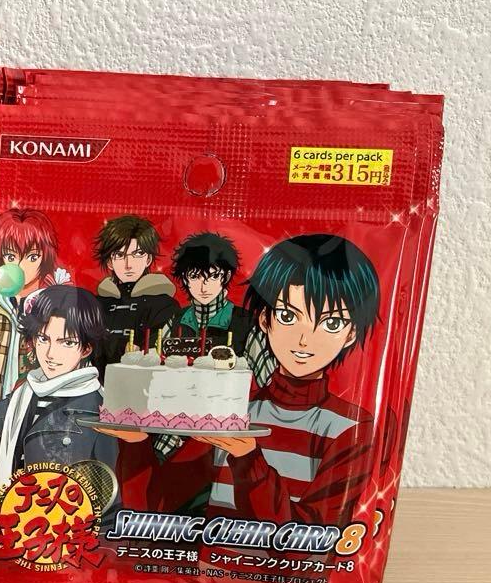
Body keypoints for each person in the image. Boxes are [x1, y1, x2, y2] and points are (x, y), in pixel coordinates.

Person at [145, 233, 381, 527]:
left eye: (331, 322)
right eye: (288, 316)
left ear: (351, 333)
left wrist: (247, 458)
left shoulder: (351, 428)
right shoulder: (233, 409)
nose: (304, 339)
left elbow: (308, 539)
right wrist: (135, 444)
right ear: (265, 319)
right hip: (207, 555)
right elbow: (154, 505)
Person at [0, 286, 116, 506]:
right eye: (43, 338)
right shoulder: (12, 403)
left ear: (86, 349)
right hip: (11, 517)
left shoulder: (98, 408)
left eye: (67, 342)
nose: (50, 354)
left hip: (64, 520)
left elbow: (106, 490)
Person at [0, 209, 67, 406]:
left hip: (37, 409)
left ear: (44, 257)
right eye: (11, 257)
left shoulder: (56, 312)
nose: (20, 266)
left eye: (32, 257)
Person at [93, 215, 179, 368]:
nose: (129, 264)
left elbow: (162, 352)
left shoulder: (165, 305)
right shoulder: (96, 305)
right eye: (119, 255)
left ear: (148, 259)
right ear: (110, 262)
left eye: (137, 254)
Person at [160, 232, 253, 357]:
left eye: (213, 276)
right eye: (194, 277)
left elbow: (260, 368)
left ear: (226, 276)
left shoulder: (246, 322)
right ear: (185, 279)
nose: (203, 287)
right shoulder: (176, 320)